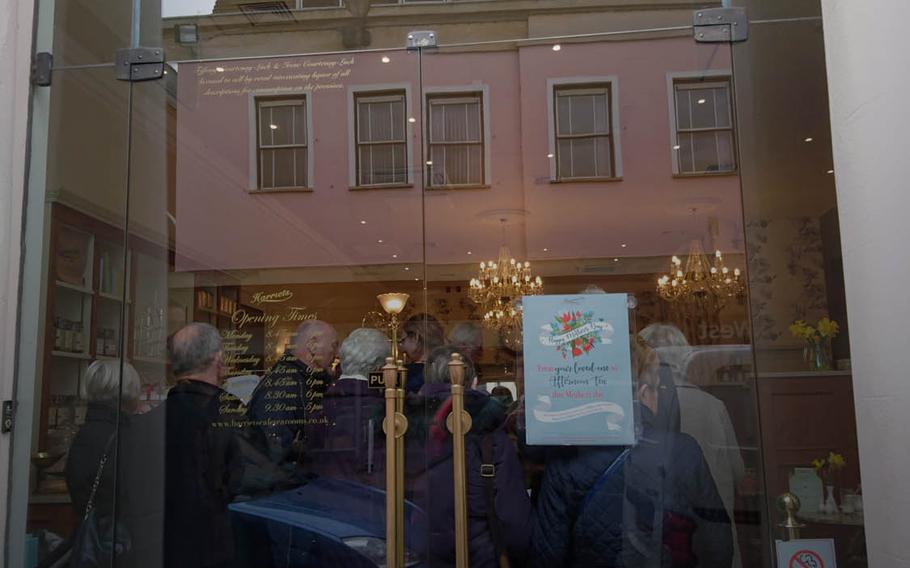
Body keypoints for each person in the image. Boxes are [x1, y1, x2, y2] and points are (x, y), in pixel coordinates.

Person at [532, 337, 733, 567]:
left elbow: (547, 556)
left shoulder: (567, 458)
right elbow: (717, 546)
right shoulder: (683, 451)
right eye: (658, 389)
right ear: (644, 392)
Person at [405, 346, 534, 567]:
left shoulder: (403, 427)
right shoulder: (488, 430)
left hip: (418, 551)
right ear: (473, 382)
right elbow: (512, 515)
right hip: (479, 554)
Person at [639, 323, 745, 567]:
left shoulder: (642, 406)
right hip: (714, 536)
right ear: (685, 356)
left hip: (667, 539)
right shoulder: (713, 406)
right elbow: (738, 472)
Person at [164, 322, 253, 568]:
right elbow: (248, 478)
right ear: (219, 359)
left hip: (162, 545)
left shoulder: (154, 417)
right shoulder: (228, 412)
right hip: (212, 545)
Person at [64, 360, 141, 565]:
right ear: (128, 394)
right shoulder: (126, 437)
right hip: (120, 548)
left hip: (91, 542)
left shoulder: (85, 434)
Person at [247, 320, 339, 464]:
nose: (336, 353)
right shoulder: (281, 387)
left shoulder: (307, 382)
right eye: (334, 345)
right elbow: (274, 457)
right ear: (312, 345)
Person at [310, 327, 388, 487]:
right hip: (367, 498)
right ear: (378, 368)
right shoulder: (380, 407)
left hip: (323, 494)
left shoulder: (320, 401)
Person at [400, 313, 445, 393]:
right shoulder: (446, 369)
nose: (402, 347)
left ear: (416, 338)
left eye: (403, 340)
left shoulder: (408, 374)